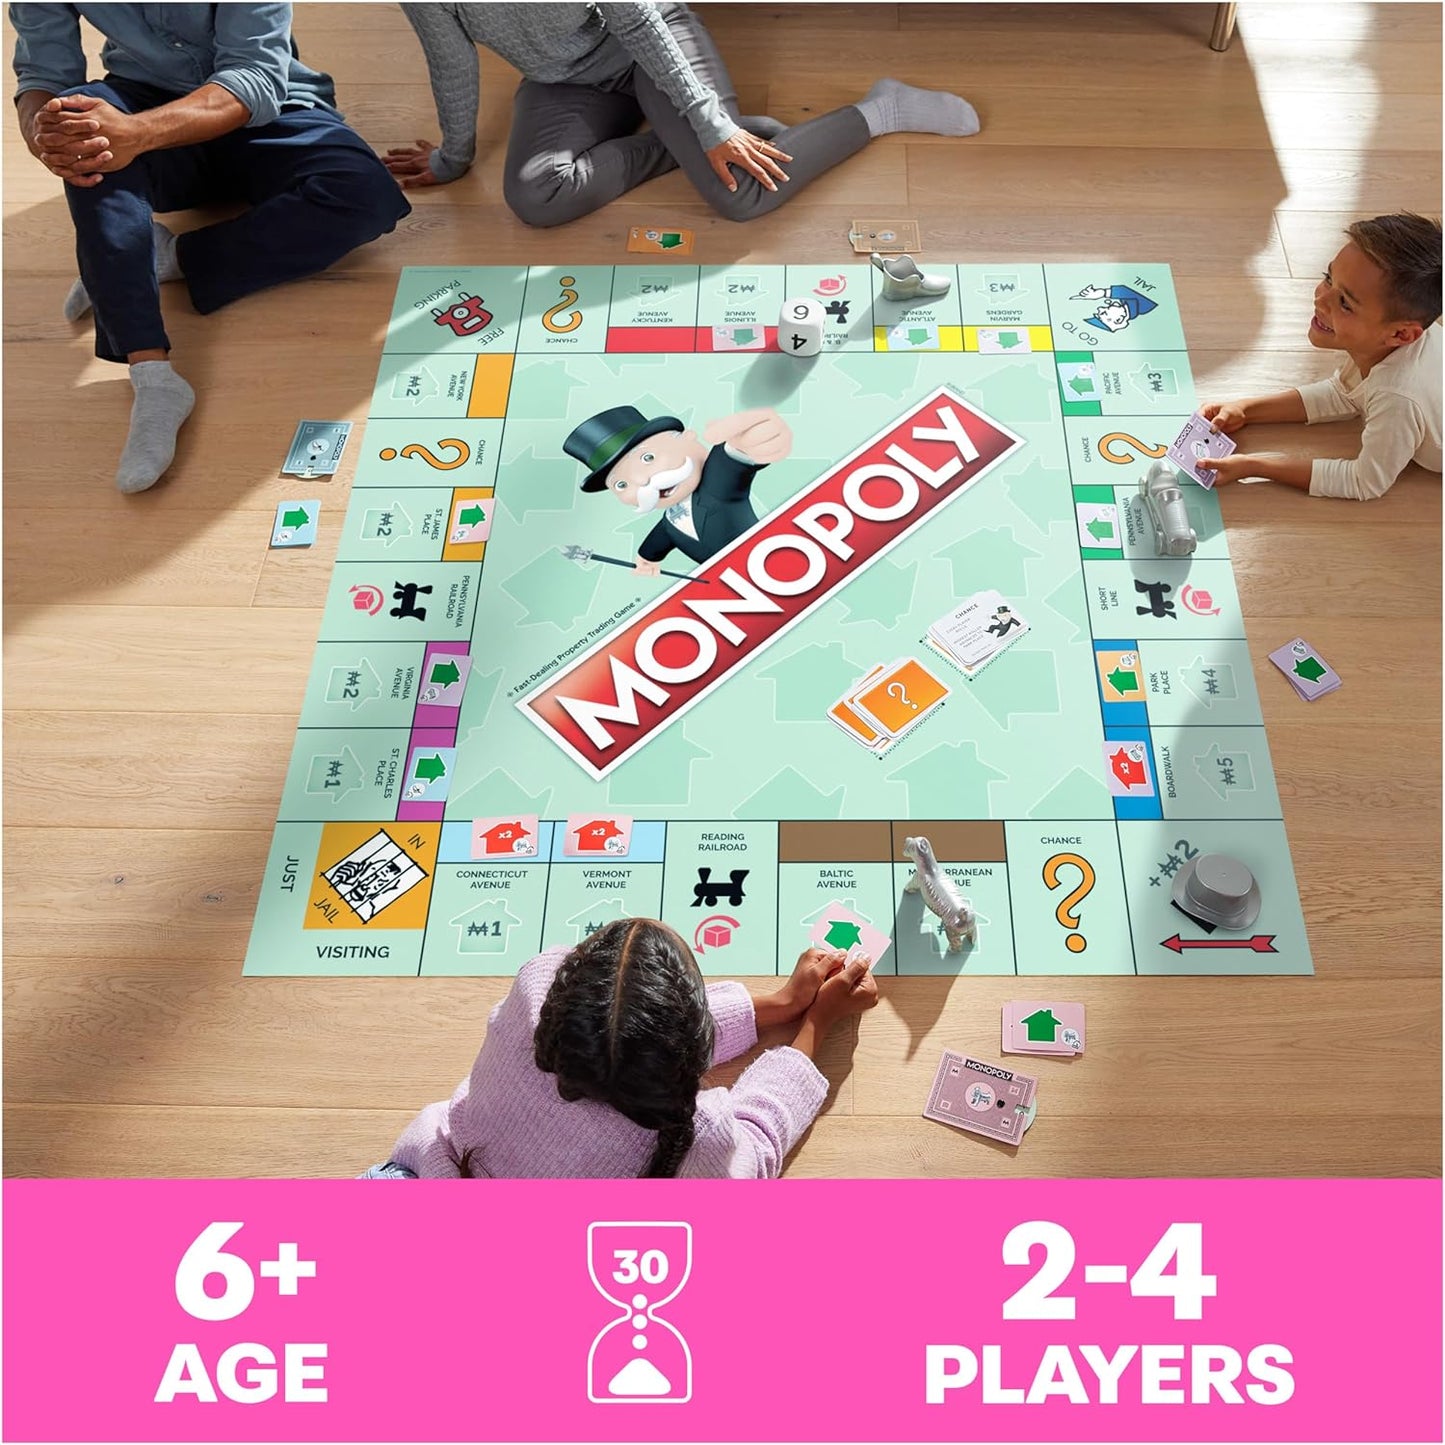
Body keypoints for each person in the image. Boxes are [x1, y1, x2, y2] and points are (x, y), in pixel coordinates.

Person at [10, 3, 411, 493]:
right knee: (82, 121)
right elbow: (43, 74)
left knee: (366, 194)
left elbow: (256, 77)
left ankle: (165, 256)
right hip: (145, 113)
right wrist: (47, 133)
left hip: (267, 111)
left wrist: (136, 134)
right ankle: (154, 377)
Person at [365, 917, 879, 1179]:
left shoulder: (532, 997)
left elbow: (624, 1034)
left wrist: (777, 1003)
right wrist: (817, 1021)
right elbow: (756, 1147)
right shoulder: (699, 1138)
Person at [385, 1, 980, 227]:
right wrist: (454, 158)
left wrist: (709, 123)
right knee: (536, 197)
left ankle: (884, 108)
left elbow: (642, 24)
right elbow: (451, 64)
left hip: (652, 48)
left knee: (740, 196)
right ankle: (703, 142)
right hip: (566, 80)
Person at [1197, 213, 1441, 501]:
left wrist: (1254, 465)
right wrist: (1245, 409)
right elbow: (1343, 394)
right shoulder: (1382, 344)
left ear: (1401, 335)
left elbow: (1364, 481)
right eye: (1328, 278)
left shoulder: (1397, 398)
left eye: (1345, 303)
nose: (1320, 299)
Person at [567, 403, 792, 572]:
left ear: (687, 438)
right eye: (622, 484)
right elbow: (665, 532)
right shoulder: (670, 516)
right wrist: (648, 557)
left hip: (768, 565)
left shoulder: (715, 488)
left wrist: (746, 443)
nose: (643, 481)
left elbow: (730, 463)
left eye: (648, 458)